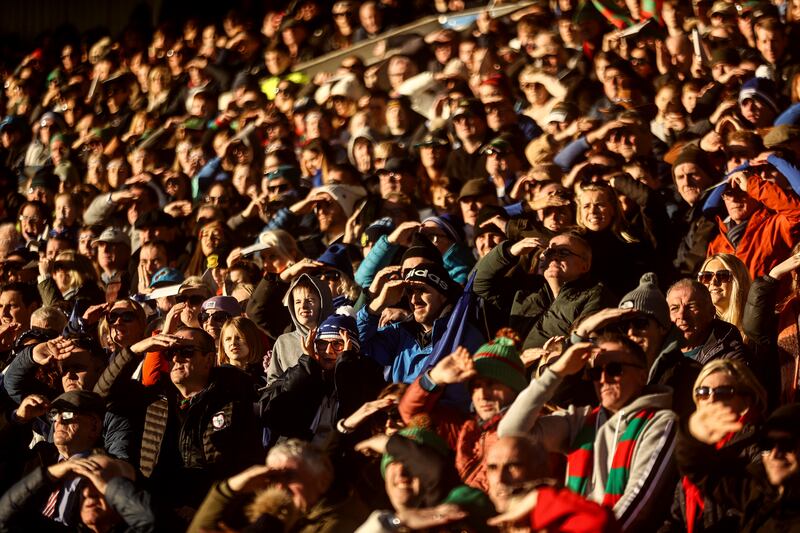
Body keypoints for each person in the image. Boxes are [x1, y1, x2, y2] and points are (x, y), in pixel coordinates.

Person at [498, 333, 678, 531]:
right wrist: (557, 372)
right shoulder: (581, 420)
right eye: (595, 372)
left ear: (642, 376)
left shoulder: (662, 422)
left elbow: (639, 502)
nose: (603, 379)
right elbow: (511, 433)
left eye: (614, 369)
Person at [398, 333, 526, 490]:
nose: (482, 396)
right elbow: (413, 417)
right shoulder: (467, 430)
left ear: (515, 389)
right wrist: (435, 378)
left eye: (492, 384)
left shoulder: (534, 429)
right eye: (475, 387)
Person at [661, 359, 767, 533]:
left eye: (724, 392)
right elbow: (675, 517)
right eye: (703, 392)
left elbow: (745, 510)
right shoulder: (693, 449)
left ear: (748, 401)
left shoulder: (761, 445)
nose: (711, 399)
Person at [474, 231, 616, 351]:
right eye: (549, 252)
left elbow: (584, 338)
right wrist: (510, 252)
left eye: (564, 252)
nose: (554, 257)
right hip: (512, 374)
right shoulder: (525, 290)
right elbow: (477, 283)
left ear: (585, 265)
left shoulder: (595, 294)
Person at [678, 402, 800, 531]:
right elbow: (700, 472)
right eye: (767, 445)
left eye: (787, 445)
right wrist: (692, 432)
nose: (774, 454)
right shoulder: (761, 488)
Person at [358, 261, 484, 384]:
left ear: (443, 294)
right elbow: (356, 344)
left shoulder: (465, 336)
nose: (414, 299)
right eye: (410, 292)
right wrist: (378, 305)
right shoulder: (400, 332)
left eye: (422, 290)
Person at [698, 253, 752, 338]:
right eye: (707, 276)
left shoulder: (756, 323)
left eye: (722, 275)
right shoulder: (698, 327)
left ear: (739, 281)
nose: (713, 282)